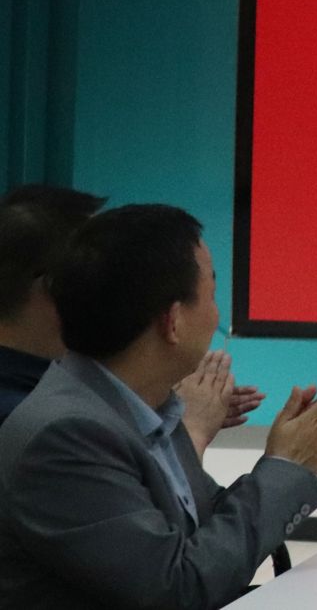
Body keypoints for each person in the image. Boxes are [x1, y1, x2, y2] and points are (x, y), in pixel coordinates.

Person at [0, 204, 317, 609]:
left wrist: (287, 465)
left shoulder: (143, 405)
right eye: (211, 296)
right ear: (174, 321)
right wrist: (289, 467)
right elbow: (179, 589)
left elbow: (206, 531)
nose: (217, 316)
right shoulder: (68, 435)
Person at [0, 185, 261, 445]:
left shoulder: (60, 391)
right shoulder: (48, 424)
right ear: (60, 284)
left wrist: (160, 405)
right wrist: (190, 429)